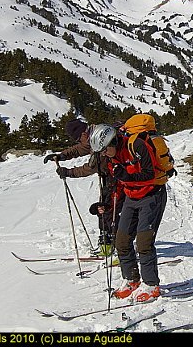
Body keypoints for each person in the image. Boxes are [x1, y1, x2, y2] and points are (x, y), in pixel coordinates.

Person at [89, 123, 168, 303]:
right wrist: (107, 205)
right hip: (131, 198)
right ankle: (132, 280)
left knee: (144, 243)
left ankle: (151, 285)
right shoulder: (112, 158)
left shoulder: (136, 146)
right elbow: (118, 184)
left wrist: (127, 176)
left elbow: (150, 174)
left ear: (113, 141)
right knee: (122, 241)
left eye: (104, 150)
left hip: (152, 195)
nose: (103, 154)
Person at [43, 119, 123, 255]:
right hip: (110, 177)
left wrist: (69, 172)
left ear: (83, 133)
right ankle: (108, 245)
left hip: (117, 178)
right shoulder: (93, 134)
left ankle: (120, 249)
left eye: (78, 138)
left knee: (109, 211)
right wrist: (62, 155)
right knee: (104, 210)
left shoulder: (100, 139)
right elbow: (81, 148)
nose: (79, 142)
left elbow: (91, 168)